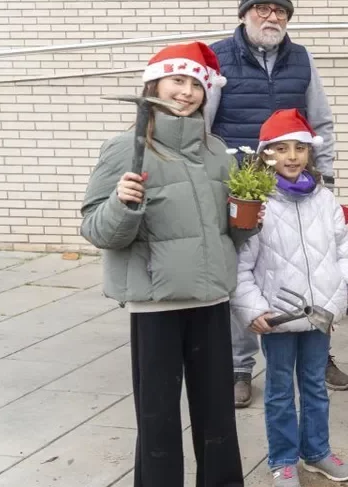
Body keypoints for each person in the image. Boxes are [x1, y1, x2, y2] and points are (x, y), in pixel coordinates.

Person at [80, 42, 249, 487]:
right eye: (179, 80)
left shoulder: (216, 151)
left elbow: (226, 232)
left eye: (197, 84)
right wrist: (122, 204)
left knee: (218, 419)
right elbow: (96, 230)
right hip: (155, 306)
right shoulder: (124, 148)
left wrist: (248, 218)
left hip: (211, 299)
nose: (187, 92)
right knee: (158, 423)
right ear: (153, 84)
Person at [206, 0, 348, 404]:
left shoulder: (301, 59)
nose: (271, 17)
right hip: (243, 188)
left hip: (298, 185)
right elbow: (203, 127)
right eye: (262, 8)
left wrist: (324, 178)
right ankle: (239, 366)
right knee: (246, 270)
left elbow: (320, 120)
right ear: (245, 13)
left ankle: (318, 350)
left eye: (280, 11)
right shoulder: (219, 59)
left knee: (311, 262)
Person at [231, 109, 348, 486]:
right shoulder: (257, 204)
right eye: (281, 149)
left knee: (316, 386)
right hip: (278, 317)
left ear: (309, 153)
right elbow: (240, 265)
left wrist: (344, 291)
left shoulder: (325, 200)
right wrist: (253, 308)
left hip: (320, 314)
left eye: (299, 149)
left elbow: (343, 251)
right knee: (279, 391)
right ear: (265, 154)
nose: (291, 156)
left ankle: (317, 451)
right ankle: (283, 459)